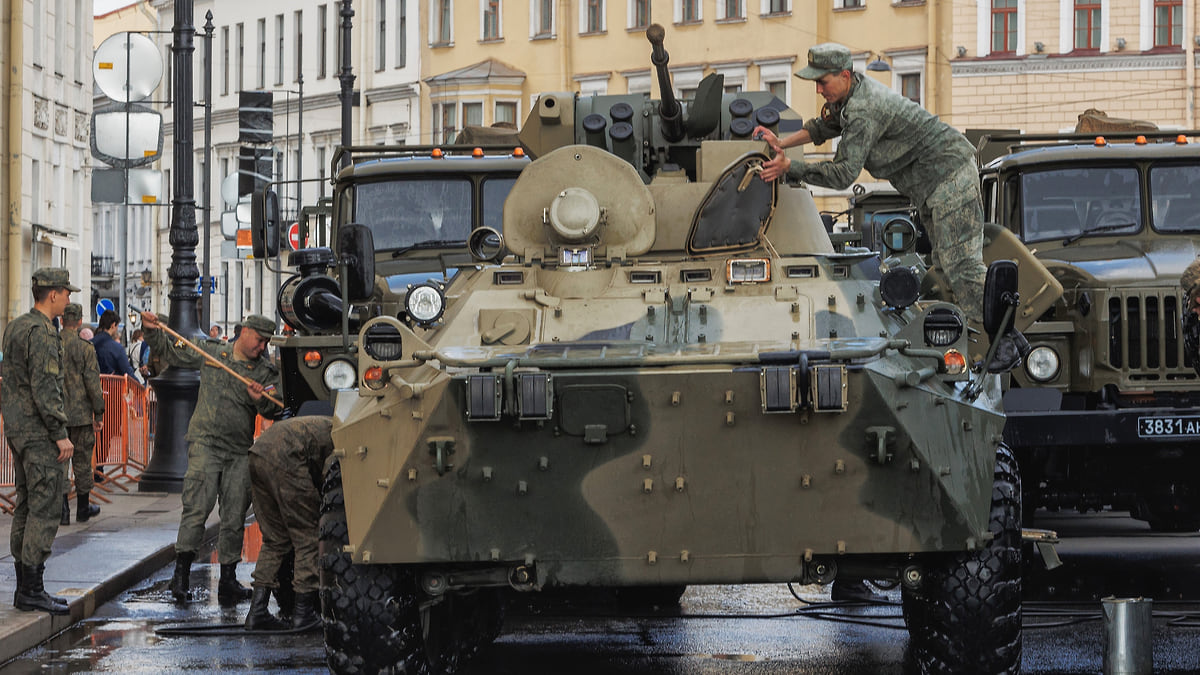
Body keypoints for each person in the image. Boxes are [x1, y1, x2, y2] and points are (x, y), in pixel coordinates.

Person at [755, 43, 1027, 371]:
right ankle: (1010, 336)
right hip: (932, 185)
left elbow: (843, 174)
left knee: (962, 265)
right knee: (944, 265)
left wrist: (790, 168)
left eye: (823, 81)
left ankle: (1005, 343)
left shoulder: (863, 110)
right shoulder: (847, 99)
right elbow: (822, 127)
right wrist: (781, 142)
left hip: (950, 175)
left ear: (844, 76)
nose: (818, 88)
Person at [140, 312, 282, 605]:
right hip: (206, 444)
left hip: (238, 450)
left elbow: (274, 410)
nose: (261, 346)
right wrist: (151, 331)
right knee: (196, 510)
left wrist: (260, 401)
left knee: (234, 517)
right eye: (259, 339)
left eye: (266, 342)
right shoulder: (213, 353)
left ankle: (228, 580)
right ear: (244, 332)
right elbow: (170, 351)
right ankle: (180, 576)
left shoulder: (265, 373)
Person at [2, 267, 79, 614]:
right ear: (53, 294)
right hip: (39, 432)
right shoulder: (45, 333)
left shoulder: (16, 326)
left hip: (18, 429)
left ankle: (24, 588)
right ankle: (33, 588)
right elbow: (46, 388)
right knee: (45, 508)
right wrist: (60, 434)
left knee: (26, 505)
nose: (68, 299)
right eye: (66, 293)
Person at [243, 415, 334, 631]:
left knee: (275, 540)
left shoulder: (325, 424)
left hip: (258, 453)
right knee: (308, 537)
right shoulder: (344, 434)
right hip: (285, 455)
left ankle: (257, 612)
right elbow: (331, 476)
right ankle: (303, 613)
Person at [59, 303, 105, 526]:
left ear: (61, 321)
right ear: (79, 322)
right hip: (81, 416)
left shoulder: (52, 344)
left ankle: (63, 510)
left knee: (59, 462)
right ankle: (83, 508)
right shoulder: (85, 348)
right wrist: (99, 413)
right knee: (83, 462)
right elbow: (93, 384)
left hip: (56, 414)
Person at [92, 310, 140, 381]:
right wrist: (141, 387)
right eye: (117, 326)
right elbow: (127, 372)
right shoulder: (116, 348)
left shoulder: (89, 343)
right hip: (112, 388)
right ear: (113, 325)